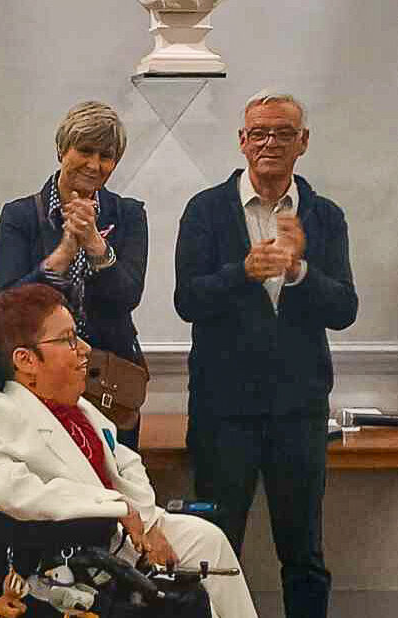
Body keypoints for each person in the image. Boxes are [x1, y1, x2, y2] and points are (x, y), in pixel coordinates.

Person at [0, 283, 257, 618]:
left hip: (124, 531)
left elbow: (126, 463)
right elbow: (11, 492)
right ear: (26, 359)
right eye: (68, 339)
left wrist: (145, 524)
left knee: (207, 538)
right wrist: (115, 507)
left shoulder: (79, 407)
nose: (85, 349)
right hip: (75, 551)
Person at [174, 90, 358, 618]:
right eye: (258, 133)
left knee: (303, 553)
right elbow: (187, 300)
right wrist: (244, 273)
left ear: (303, 142)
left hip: (298, 412)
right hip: (222, 412)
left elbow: (344, 308)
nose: (269, 143)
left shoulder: (324, 216)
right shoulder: (206, 210)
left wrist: (298, 272)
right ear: (242, 141)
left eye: (282, 132)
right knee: (212, 546)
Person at [0, 101, 147, 450]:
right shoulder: (20, 216)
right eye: (85, 151)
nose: (94, 165)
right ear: (63, 149)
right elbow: (8, 304)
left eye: (105, 156)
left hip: (110, 380)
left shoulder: (129, 215)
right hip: (37, 378)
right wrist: (63, 252)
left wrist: (95, 245)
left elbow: (127, 296)